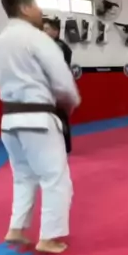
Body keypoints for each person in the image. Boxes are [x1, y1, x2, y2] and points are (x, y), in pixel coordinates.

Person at [0, 0, 80, 254]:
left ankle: (17, 227)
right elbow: (61, 78)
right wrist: (71, 101)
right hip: (37, 118)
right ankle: (49, 237)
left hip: (9, 120)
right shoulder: (37, 38)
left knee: (23, 176)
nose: (40, 11)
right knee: (55, 178)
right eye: (37, 4)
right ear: (25, 8)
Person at [43, 17, 73, 153]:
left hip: (57, 86)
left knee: (60, 116)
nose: (44, 31)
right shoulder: (45, 45)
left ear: (55, 31)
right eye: (43, 29)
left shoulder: (59, 46)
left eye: (47, 29)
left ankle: (65, 146)